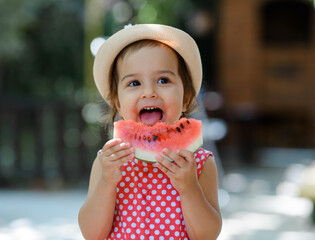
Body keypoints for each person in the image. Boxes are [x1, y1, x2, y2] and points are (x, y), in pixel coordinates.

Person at [78, 24, 222, 240]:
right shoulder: (107, 162)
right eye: (134, 83)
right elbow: (92, 234)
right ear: (117, 102)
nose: (149, 92)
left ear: (186, 97)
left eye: (163, 80)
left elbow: (207, 235)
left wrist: (189, 187)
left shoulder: (200, 163)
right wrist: (107, 182)